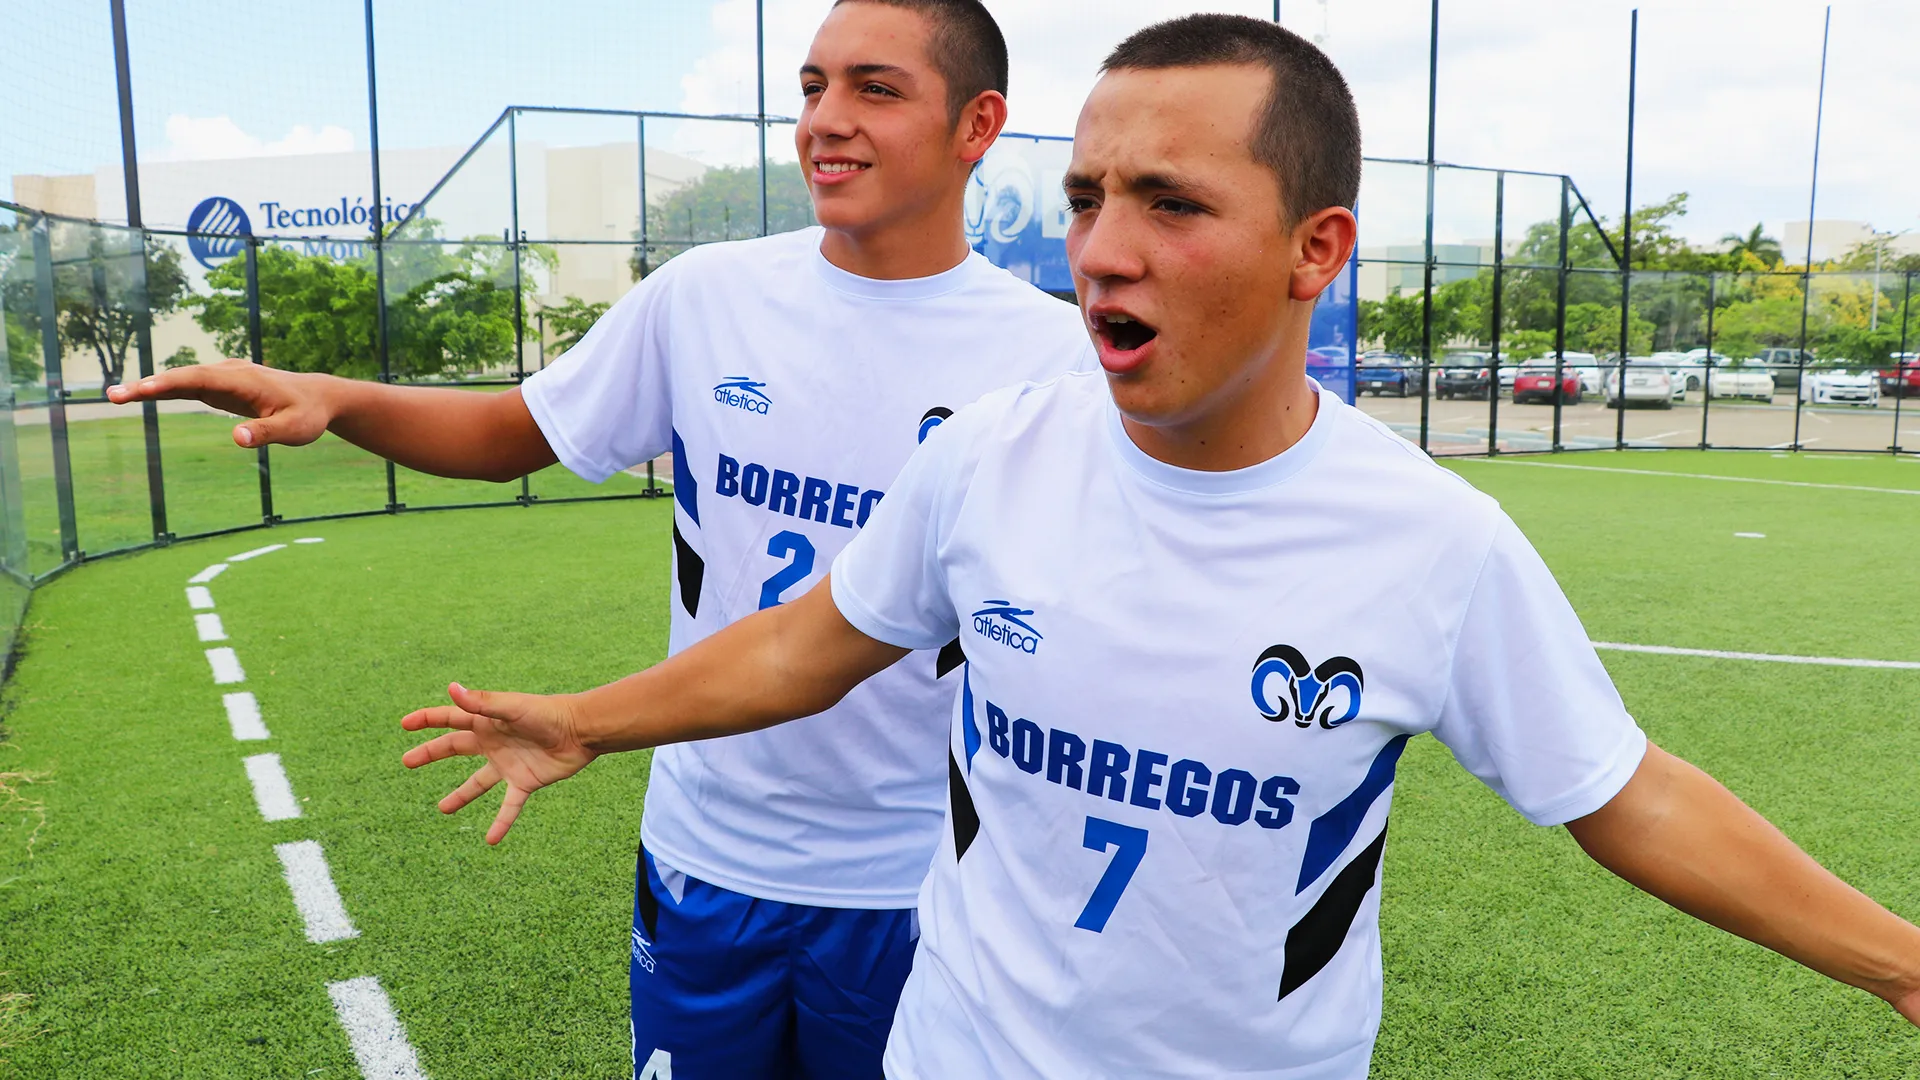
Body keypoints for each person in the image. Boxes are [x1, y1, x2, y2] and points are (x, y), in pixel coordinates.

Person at [394, 14, 1920, 1079]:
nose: (1106, 245)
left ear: (1315, 248)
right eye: (1086, 197)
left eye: (1172, 202)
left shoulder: (1431, 542)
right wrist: (583, 723)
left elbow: (1626, 793)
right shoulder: (991, 457)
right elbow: (807, 642)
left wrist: (1900, 964)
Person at [108, 2, 1093, 1075]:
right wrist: (334, 397)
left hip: (914, 880)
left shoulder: (1053, 364)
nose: (826, 120)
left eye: (877, 88)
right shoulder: (707, 296)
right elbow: (505, 434)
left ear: (977, 124)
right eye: (813, 88)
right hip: (707, 858)